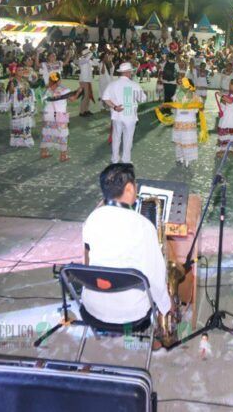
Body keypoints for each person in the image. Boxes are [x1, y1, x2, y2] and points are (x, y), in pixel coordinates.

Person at [81, 164, 173, 326]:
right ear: (130, 188)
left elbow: (87, 259)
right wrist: (166, 306)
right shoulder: (143, 226)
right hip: (132, 313)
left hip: (92, 309)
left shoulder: (92, 219)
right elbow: (156, 274)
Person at [156, 77, 207, 168]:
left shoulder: (180, 95)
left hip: (182, 120)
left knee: (181, 140)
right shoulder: (195, 96)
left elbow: (174, 107)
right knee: (184, 141)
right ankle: (184, 159)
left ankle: (182, 158)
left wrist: (164, 105)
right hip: (187, 121)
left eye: (182, 84)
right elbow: (198, 109)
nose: (181, 85)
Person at [102, 62, 147, 164]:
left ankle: (115, 159)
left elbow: (105, 98)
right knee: (128, 138)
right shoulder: (134, 85)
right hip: (129, 115)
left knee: (116, 137)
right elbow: (143, 99)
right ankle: (126, 159)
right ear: (128, 72)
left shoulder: (112, 84)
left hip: (117, 114)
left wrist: (114, 107)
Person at [40, 72, 81, 162]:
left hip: (48, 114)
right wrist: (78, 92)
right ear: (59, 80)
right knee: (63, 134)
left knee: (47, 132)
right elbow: (73, 99)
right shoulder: (64, 90)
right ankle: (63, 155)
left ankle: (43, 152)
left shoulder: (47, 89)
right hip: (60, 114)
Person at [7, 64, 36, 148]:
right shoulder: (13, 82)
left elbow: (30, 92)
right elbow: (11, 93)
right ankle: (18, 140)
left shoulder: (25, 81)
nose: (21, 72)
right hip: (17, 107)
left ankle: (26, 139)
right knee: (18, 123)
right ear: (14, 72)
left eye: (22, 70)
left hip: (26, 106)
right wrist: (12, 86)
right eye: (19, 70)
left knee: (26, 122)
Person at [215, 79, 233, 157]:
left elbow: (230, 101)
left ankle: (226, 150)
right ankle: (231, 150)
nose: (229, 85)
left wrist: (221, 95)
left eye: (230, 84)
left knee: (227, 133)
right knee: (232, 135)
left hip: (229, 119)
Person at [76, 48, 97, 117]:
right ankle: (82, 112)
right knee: (85, 96)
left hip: (88, 80)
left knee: (88, 96)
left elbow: (96, 63)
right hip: (84, 80)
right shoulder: (81, 60)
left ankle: (86, 110)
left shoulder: (88, 60)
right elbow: (86, 59)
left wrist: (93, 57)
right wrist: (91, 53)